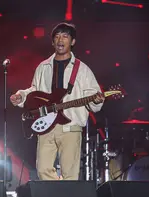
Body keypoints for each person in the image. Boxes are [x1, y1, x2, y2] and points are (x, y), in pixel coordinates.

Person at [10, 23, 105, 180]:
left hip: (71, 126)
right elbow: (35, 91)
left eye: (65, 36)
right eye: (57, 36)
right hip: (46, 125)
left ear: (72, 42)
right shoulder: (43, 67)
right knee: (42, 170)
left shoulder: (82, 70)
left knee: (70, 174)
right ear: (53, 42)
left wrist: (97, 100)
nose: (60, 40)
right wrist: (21, 96)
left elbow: (93, 100)